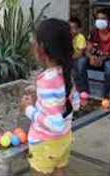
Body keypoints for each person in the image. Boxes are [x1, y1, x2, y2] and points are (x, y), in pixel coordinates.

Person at [21, 19, 80, 176]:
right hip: (64, 140)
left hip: (45, 142)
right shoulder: (66, 73)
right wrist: (40, 91)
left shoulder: (47, 80)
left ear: (42, 48)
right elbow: (76, 103)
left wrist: (29, 110)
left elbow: (55, 124)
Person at [75, 8, 110, 98]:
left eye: (103, 18)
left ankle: (105, 95)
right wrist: (91, 57)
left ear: (109, 21)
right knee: (81, 61)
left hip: (107, 60)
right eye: (98, 19)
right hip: (94, 60)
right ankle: (85, 92)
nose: (100, 21)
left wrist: (102, 59)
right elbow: (87, 50)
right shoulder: (93, 33)